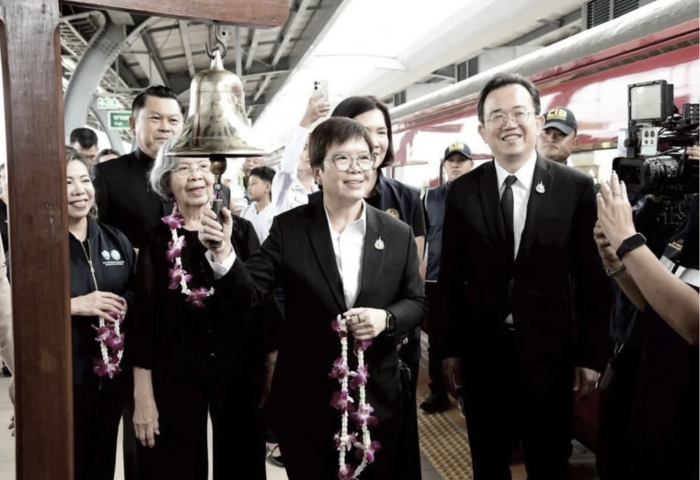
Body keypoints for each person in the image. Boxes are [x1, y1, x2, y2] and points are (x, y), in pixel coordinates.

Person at [203, 117, 427, 480]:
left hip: (376, 397)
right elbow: (250, 293)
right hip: (306, 397)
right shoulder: (290, 228)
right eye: (342, 158)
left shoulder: (397, 233)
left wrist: (386, 319)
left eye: (364, 158)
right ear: (318, 171)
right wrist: (224, 252)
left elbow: (416, 303)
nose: (356, 168)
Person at [440, 73, 611, 480]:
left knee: (549, 463)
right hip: (483, 357)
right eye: (496, 116)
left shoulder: (576, 188)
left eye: (519, 113)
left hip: (551, 357)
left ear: (536, 120)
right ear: (482, 131)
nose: (509, 124)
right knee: (488, 463)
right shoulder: (463, 192)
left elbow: (592, 280)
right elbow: (451, 277)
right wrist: (447, 348)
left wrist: (590, 356)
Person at [129, 138, 277, 480]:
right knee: (175, 466)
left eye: (202, 167)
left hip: (239, 372)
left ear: (215, 176)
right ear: (167, 182)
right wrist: (143, 395)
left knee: (241, 464)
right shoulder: (156, 240)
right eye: (183, 168)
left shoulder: (241, 232)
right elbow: (144, 322)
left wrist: (271, 367)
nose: (196, 175)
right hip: (175, 375)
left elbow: (261, 304)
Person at [594, 160, 698, 479]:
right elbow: (656, 303)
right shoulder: (692, 211)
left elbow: (694, 325)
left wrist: (628, 242)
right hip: (655, 389)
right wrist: (615, 260)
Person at [66, 150, 136, 480]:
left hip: (111, 379)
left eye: (84, 180)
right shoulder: (39, 245)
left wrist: (126, 305)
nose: (79, 190)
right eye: (67, 182)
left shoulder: (114, 238)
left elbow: (136, 290)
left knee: (102, 461)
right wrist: (74, 305)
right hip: (65, 378)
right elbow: (19, 307)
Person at [419, 141, 473, 414]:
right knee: (438, 339)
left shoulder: (481, 195)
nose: (455, 165)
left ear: (471, 164)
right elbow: (420, 237)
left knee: (470, 339)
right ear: (444, 165)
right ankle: (438, 391)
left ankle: (467, 392)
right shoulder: (430, 197)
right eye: (451, 161)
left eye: (461, 160)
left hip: (471, 280)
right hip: (437, 280)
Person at [271, 94, 328, 215]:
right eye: (304, 148)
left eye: (313, 149)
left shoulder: (323, 193)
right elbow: (287, 168)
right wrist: (306, 120)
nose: (309, 154)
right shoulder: (284, 190)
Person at [241, 166, 276, 244]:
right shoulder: (245, 211)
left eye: (253, 183)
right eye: (248, 184)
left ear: (267, 187)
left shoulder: (275, 214)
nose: (249, 188)